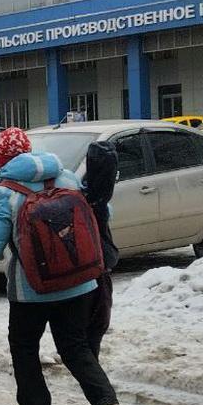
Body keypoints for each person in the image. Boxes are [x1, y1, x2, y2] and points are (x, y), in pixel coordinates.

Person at [0, 128, 125, 405]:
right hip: (79, 283)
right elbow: (101, 215)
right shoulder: (65, 177)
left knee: (24, 348)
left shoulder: (5, 191)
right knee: (75, 346)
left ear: (0, 160)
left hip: (30, 291)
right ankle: (107, 404)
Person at [83, 141, 120, 359]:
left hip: (84, 271)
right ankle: (98, 390)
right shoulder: (98, 198)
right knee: (93, 332)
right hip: (98, 270)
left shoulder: (78, 189)